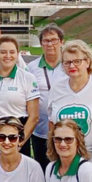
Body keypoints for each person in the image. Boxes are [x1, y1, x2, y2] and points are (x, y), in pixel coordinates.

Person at [0, 37, 40, 159]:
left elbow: (34, 116)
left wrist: (19, 142)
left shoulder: (28, 78)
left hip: (17, 133)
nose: (7, 56)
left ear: (18, 54)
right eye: (3, 52)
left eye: (12, 52)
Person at [26, 24, 67, 164]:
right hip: (40, 131)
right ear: (41, 43)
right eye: (46, 41)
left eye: (54, 40)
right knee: (42, 168)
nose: (50, 44)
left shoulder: (69, 65)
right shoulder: (31, 68)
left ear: (62, 42)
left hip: (66, 130)